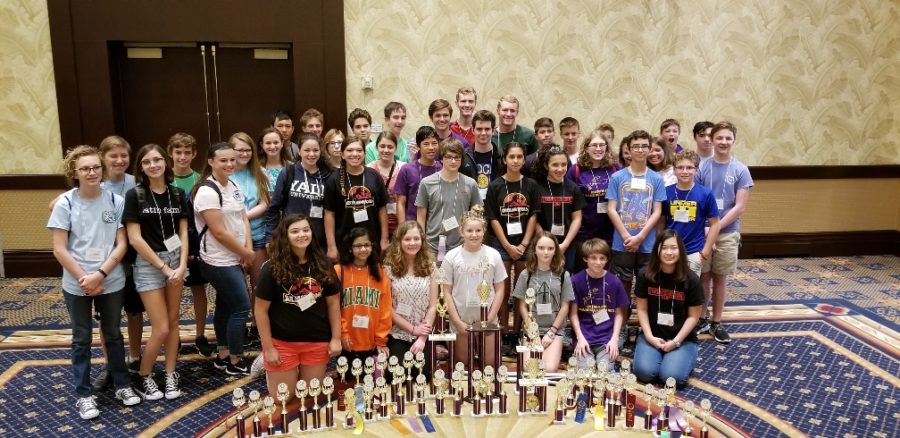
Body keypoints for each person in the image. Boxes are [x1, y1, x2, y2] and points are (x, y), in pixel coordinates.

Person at [48, 145, 141, 420]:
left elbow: (120, 242)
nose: (92, 173)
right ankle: (85, 395)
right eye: (85, 169)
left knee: (112, 334)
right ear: (74, 173)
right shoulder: (65, 204)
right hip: (76, 282)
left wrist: (100, 274)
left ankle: (122, 385)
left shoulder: (114, 202)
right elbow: (59, 249)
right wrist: (84, 278)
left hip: (109, 279)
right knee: (81, 338)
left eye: (96, 168)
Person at [123, 144, 190, 400]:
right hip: (149, 265)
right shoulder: (136, 195)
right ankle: (144, 374)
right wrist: (163, 266)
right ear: (141, 167)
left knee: (173, 323)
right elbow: (135, 239)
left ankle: (171, 374)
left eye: (157, 160)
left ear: (165, 162)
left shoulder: (177, 194)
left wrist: (182, 265)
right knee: (160, 327)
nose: (153, 165)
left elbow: (183, 232)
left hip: (176, 261)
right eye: (147, 162)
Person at [255, 214, 342, 398]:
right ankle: (264, 360)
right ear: (285, 235)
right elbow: (260, 310)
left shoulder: (323, 264)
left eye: (306, 230)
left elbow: (333, 303)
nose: (301, 235)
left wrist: (336, 338)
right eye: (295, 231)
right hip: (282, 343)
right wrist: (269, 347)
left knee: (310, 395)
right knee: (283, 399)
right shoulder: (271, 268)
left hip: (316, 341)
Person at [192, 142, 255, 375]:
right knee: (241, 307)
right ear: (211, 162)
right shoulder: (207, 191)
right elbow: (218, 231)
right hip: (217, 260)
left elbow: (243, 218)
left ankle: (223, 353)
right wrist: (245, 252)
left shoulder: (233, 184)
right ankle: (235, 361)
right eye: (223, 160)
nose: (230, 164)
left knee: (225, 305)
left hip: (235, 255)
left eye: (232, 159)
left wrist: (247, 247)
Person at [696, 121, 753, 343]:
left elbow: (739, 206)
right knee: (704, 276)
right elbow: (697, 200)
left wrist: (715, 228)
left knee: (720, 278)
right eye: (719, 138)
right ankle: (701, 317)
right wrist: (706, 230)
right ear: (712, 139)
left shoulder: (741, 170)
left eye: (728, 138)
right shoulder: (702, 168)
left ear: (733, 141)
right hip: (702, 231)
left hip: (727, 232)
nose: (723, 142)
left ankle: (716, 321)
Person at [633, 230, 704, 388]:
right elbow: (642, 309)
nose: (669, 252)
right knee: (644, 373)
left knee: (672, 378)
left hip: (682, 340)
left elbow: (694, 317)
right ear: (657, 249)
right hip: (652, 336)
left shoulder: (692, 280)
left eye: (673, 248)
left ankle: (684, 356)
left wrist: (676, 342)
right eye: (664, 248)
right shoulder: (645, 275)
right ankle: (658, 354)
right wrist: (650, 337)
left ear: (680, 250)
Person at [485, 142, 541, 339]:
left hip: (525, 244)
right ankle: (502, 330)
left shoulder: (531, 185)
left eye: (519, 157)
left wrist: (524, 244)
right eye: (512, 157)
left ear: (524, 160)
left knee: (521, 289)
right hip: (501, 244)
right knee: (502, 289)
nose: (515, 160)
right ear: (504, 159)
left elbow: (533, 216)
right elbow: (492, 218)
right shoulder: (495, 186)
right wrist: (507, 246)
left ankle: (516, 330)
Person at [166, 133, 214, 356]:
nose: (183, 157)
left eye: (187, 152)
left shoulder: (201, 179)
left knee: (198, 289)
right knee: (171, 292)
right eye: (178, 152)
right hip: (169, 244)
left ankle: (200, 334)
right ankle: (173, 337)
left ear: (194, 154)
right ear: (171, 153)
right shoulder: (164, 179)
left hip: (196, 244)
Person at [442, 205, 507, 365]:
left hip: (487, 319)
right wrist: (457, 322)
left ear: (484, 230)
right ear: (461, 231)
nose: (474, 234)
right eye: (469, 231)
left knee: (489, 363)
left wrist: (490, 318)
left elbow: (500, 290)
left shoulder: (494, 255)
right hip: (461, 318)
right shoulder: (451, 256)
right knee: (462, 362)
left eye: (478, 230)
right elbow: (446, 291)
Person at [606, 130, 666, 298]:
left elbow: (657, 211)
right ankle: (623, 321)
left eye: (644, 146)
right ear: (629, 150)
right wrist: (626, 236)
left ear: (649, 149)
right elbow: (611, 209)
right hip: (622, 241)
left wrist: (639, 237)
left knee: (646, 282)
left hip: (646, 241)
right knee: (622, 285)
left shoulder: (656, 179)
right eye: (636, 147)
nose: (640, 150)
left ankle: (643, 321)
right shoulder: (617, 177)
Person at [512, 232, 574, 372]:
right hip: (531, 330)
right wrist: (533, 332)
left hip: (554, 330)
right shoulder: (525, 274)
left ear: (555, 251)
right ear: (534, 250)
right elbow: (521, 305)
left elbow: (565, 307)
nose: (545, 252)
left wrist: (551, 332)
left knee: (549, 369)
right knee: (529, 369)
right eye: (541, 248)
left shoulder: (564, 275)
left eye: (550, 248)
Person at [323, 135, 389, 262]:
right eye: (350, 150)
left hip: (372, 241)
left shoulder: (374, 176)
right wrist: (331, 246)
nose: (355, 154)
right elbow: (329, 214)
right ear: (342, 154)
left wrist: (384, 239)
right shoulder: (333, 180)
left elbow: (382, 209)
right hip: (344, 241)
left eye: (359, 150)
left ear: (364, 154)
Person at [383, 221, 438, 375]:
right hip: (398, 331)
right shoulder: (388, 269)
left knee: (422, 375)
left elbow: (433, 306)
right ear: (399, 241)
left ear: (422, 240)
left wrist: (421, 337)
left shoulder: (431, 267)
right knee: (396, 374)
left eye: (416, 239)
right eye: (407, 239)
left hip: (422, 333)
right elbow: (388, 308)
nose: (412, 243)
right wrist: (412, 329)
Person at [416, 138, 482, 261]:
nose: (453, 161)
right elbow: (421, 217)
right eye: (449, 157)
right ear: (441, 158)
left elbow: (477, 215)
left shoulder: (470, 183)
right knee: (435, 280)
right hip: (432, 246)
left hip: (461, 245)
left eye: (457, 157)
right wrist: (422, 241)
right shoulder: (426, 183)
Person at [569, 238, 629, 371]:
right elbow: (573, 314)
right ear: (585, 259)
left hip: (606, 338)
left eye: (602, 258)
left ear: (607, 260)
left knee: (605, 370)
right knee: (585, 371)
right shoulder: (575, 281)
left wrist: (614, 339)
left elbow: (619, 314)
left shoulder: (614, 282)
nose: (598, 262)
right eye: (593, 258)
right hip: (584, 336)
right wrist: (580, 338)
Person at [266, 134, 333, 248]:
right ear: (299, 151)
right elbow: (274, 208)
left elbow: (332, 212)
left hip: (319, 240)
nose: (311, 154)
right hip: (292, 238)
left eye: (315, 150)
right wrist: (269, 238)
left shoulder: (329, 175)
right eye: (307, 150)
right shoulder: (288, 172)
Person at [661, 150, 720, 279]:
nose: (685, 171)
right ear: (674, 170)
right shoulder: (666, 192)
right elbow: (661, 222)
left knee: (689, 291)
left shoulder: (705, 194)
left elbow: (715, 224)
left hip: (693, 251)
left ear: (696, 170)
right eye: (680, 167)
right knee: (669, 288)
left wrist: (705, 252)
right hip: (669, 249)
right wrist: (659, 246)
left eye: (689, 167)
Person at [336, 227, 393, 362]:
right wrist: (342, 333)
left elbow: (385, 309)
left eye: (366, 245)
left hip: (373, 342)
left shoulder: (380, 271)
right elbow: (334, 309)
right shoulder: (339, 271)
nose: (363, 249)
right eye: (358, 246)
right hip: (347, 342)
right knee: (348, 381)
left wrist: (381, 339)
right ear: (350, 248)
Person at [567, 130, 618, 271]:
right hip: (583, 232)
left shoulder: (614, 169)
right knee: (582, 274)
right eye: (594, 145)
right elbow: (569, 202)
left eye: (602, 145)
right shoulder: (575, 170)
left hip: (608, 232)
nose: (598, 149)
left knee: (605, 274)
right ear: (586, 148)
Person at [229, 132, 271, 290]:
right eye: (240, 150)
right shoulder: (225, 173)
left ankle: (256, 315)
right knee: (236, 288)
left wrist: (243, 216)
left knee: (259, 284)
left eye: (248, 150)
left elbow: (265, 203)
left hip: (257, 234)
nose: (244, 154)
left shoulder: (260, 172)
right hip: (232, 237)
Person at [534, 147, 586, 272]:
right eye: (555, 165)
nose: (560, 169)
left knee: (565, 274)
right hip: (542, 243)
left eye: (563, 164)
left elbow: (577, 218)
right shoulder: (536, 186)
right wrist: (544, 240)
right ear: (547, 166)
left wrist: (565, 244)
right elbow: (533, 218)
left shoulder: (573, 188)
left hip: (566, 243)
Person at [394, 126, 441, 223]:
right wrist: (403, 228)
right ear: (418, 146)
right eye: (426, 144)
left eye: (434, 143)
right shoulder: (407, 169)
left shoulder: (442, 169)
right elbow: (400, 203)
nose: (431, 148)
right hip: (413, 224)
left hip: (436, 225)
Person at [367, 131, 405, 238]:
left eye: (390, 147)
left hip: (400, 222)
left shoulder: (404, 168)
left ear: (396, 148)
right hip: (376, 224)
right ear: (376, 147)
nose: (386, 150)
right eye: (382, 146)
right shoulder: (369, 169)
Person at [463, 110, 502, 200]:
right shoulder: (463, 157)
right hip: (471, 207)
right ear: (473, 130)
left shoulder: (502, 157)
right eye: (479, 129)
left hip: (495, 207)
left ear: (493, 130)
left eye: (487, 129)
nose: (483, 133)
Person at [259, 127, 291, 191]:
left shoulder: (292, 167)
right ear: (262, 145)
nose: (272, 146)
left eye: (276, 142)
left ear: (282, 143)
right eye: (268, 143)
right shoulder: (256, 168)